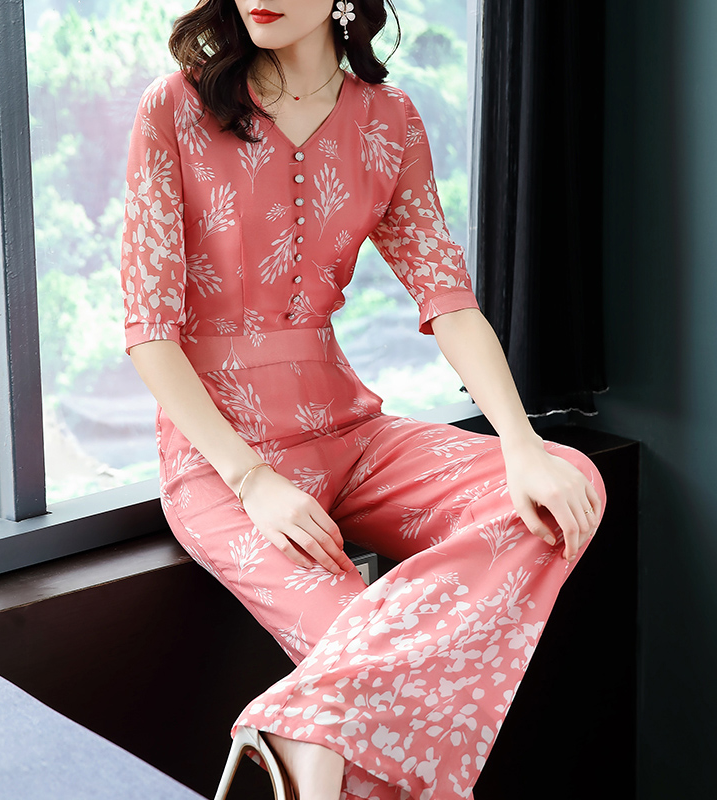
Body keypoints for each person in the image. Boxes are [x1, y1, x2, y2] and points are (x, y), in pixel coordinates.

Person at [121, 1, 606, 798]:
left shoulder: (389, 120)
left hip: (350, 433)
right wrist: (251, 480)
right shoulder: (175, 106)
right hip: (223, 467)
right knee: (369, 686)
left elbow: (447, 298)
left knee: (568, 480)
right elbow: (149, 332)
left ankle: (287, 726)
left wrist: (521, 444)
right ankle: (311, 746)